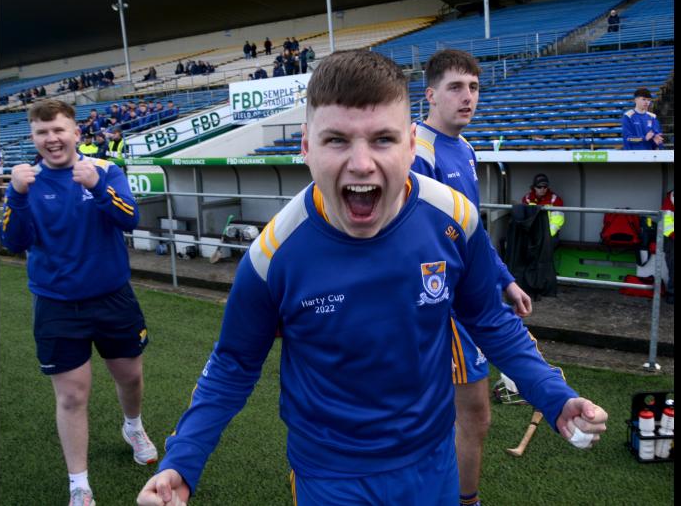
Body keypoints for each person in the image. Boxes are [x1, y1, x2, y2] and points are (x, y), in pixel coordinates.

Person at [136, 49, 608, 506]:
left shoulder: (453, 218)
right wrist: (183, 461)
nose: (361, 163)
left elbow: (489, 319)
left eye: (382, 139)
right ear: (305, 146)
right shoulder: (273, 255)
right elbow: (233, 364)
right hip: (330, 477)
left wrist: (553, 395)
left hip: (433, 462)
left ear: (410, 143)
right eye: (337, 139)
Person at [0, 100, 157, 506]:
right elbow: (12, 242)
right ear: (32, 137)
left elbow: (130, 219)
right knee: (71, 396)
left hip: (113, 298)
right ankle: (79, 485)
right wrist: (15, 196)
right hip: (56, 305)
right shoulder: (25, 183)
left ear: (76, 133)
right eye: (42, 132)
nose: (52, 139)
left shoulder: (105, 170)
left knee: (130, 378)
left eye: (59, 130)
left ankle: (133, 426)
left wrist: (96, 187)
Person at [411, 48, 532, 506]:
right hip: (442, 305)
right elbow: (419, 243)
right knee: (473, 416)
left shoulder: (464, 148)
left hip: (467, 298)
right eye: (456, 87)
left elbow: (471, 230)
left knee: (462, 415)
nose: (468, 97)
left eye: (474, 87)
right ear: (431, 94)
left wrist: (503, 279)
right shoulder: (417, 152)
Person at [522, 173, 565, 249]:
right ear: (534, 187)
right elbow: (524, 219)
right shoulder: (527, 199)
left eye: (545, 187)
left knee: (547, 248)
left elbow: (557, 221)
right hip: (531, 233)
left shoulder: (555, 200)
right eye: (539, 187)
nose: (542, 189)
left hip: (549, 234)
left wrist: (547, 235)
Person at [661, 189, 674, 304]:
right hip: (672, 238)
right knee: (673, 266)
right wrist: (672, 234)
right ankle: (672, 293)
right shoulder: (670, 198)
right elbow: (666, 222)